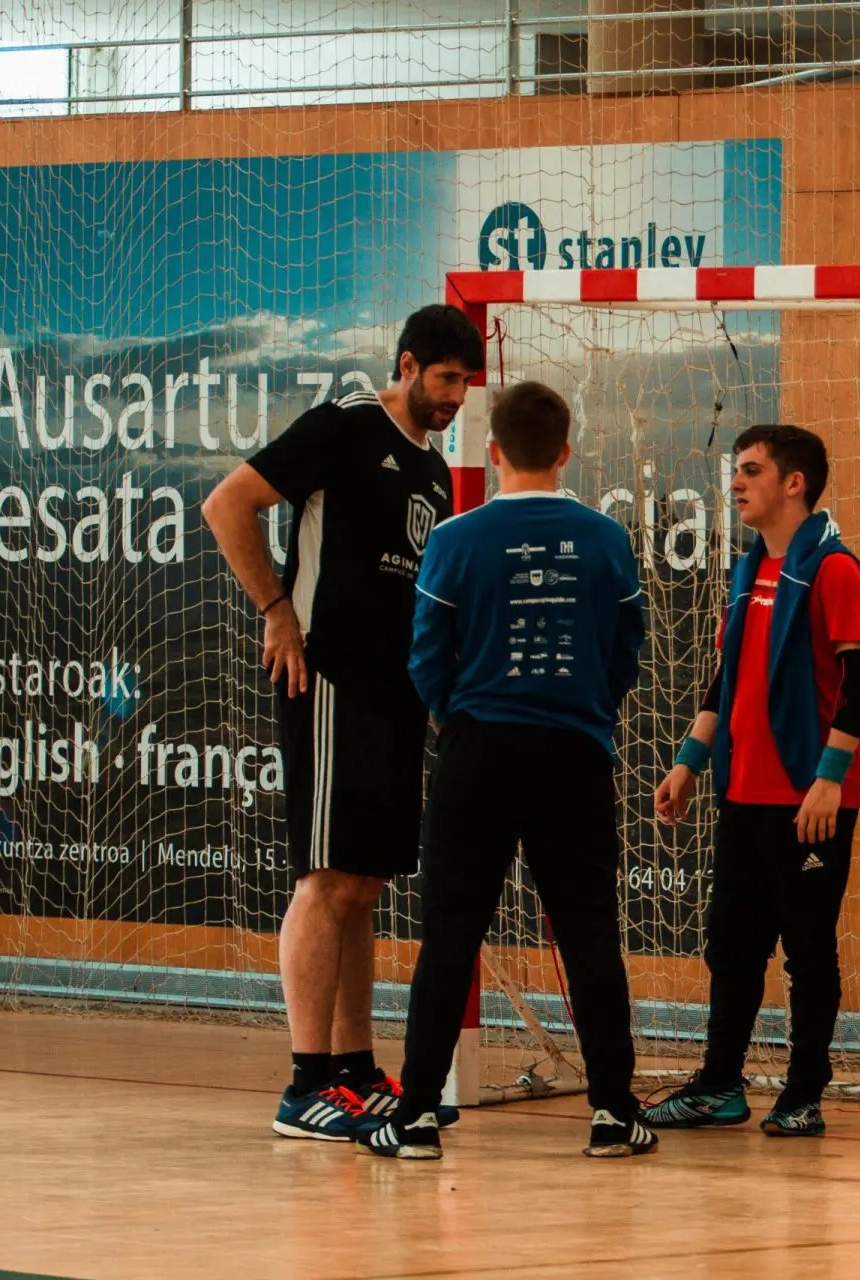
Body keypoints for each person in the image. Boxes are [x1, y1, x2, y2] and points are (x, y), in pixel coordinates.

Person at [202, 304, 483, 1141]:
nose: (456, 397)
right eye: (444, 379)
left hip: (396, 696)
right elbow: (228, 504)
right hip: (329, 680)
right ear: (406, 365)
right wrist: (277, 611)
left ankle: (355, 1069)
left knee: (364, 886)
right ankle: (304, 1083)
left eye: (466, 384)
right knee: (326, 881)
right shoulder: (346, 425)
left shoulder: (435, 473)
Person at [356, 380, 654, 1160]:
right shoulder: (605, 538)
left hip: (477, 751)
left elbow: (425, 655)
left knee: (450, 934)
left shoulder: (454, 539)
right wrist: (586, 704)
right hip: (575, 753)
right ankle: (614, 1115)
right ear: (564, 451)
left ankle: (416, 1115)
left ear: (490, 453)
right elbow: (628, 648)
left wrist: (462, 715)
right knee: (589, 935)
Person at [645, 424, 860, 1138]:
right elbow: (728, 679)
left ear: (794, 483)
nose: (736, 484)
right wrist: (688, 761)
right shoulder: (749, 571)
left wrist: (829, 780)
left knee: (808, 950)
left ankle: (804, 1093)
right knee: (732, 946)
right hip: (742, 795)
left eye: (750, 471)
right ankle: (720, 1086)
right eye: (736, 471)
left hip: (809, 801)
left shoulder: (836, 570)